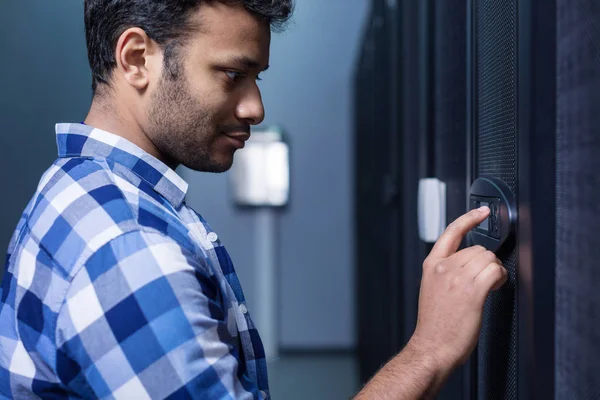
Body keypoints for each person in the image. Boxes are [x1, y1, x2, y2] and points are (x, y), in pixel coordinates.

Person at [0, 1, 508, 399]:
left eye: (256, 78)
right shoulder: (128, 251)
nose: (255, 107)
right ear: (136, 59)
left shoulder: (72, 187)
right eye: (231, 74)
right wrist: (430, 351)